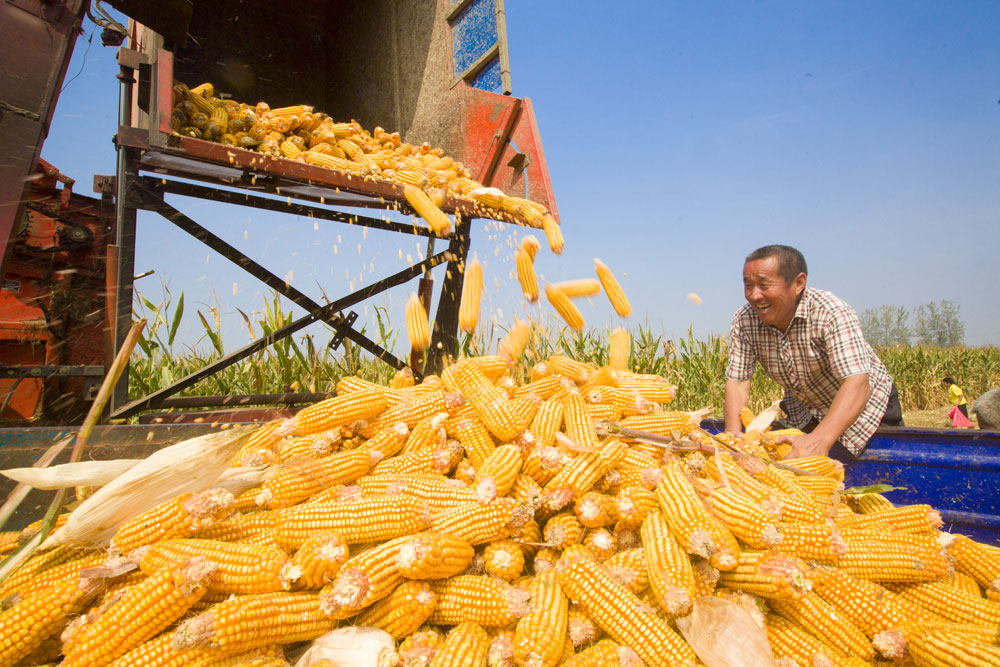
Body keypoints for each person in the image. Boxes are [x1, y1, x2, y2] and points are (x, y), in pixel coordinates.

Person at [723, 245, 903, 459]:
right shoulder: (745, 320)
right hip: (806, 410)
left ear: (798, 283)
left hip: (865, 408)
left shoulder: (830, 312)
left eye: (764, 285)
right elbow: (738, 382)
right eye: (748, 285)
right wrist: (732, 438)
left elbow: (857, 381)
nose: (754, 295)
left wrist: (819, 440)